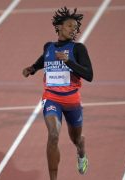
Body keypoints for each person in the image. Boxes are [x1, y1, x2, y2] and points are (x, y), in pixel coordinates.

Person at [22, 7, 93, 180]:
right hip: (51, 97)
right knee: (53, 134)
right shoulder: (49, 46)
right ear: (59, 27)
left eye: (75, 27)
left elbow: (89, 75)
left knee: (75, 139)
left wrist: (68, 61)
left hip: (72, 101)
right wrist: (32, 68)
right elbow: (43, 59)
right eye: (70, 26)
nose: (73, 29)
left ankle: (81, 149)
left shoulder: (78, 49)